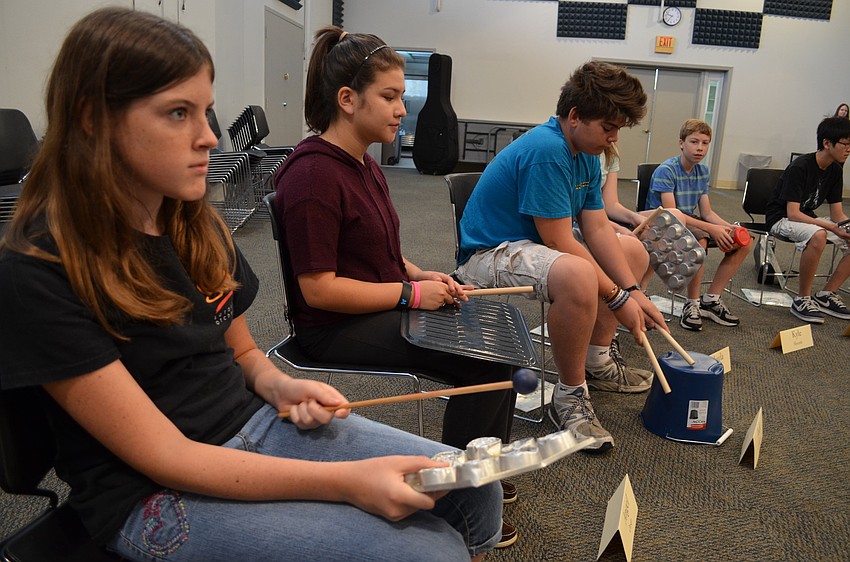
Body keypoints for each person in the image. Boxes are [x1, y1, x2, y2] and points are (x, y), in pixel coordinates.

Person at [0, 9, 502, 561]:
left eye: (206, 111)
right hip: (153, 492)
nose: (209, 136)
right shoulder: (40, 269)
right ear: (92, 120)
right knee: (426, 553)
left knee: (474, 489)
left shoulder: (191, 221)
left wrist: (279, 386)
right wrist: (347, 482)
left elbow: (239, 348)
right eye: (177, 113)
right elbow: (166, 455)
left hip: (251, 422)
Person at [272, 26, 518, 548]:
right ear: (347, 99)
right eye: (389, 97)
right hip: (334, 327)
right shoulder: (313, 176)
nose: (402, 109)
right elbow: (318, 290)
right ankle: (459, 501)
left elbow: (376, 252)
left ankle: (482, 472)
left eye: (400, 97)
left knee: (497, 348)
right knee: (481, 360)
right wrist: (410, 296)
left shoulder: (363, 163)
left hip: (376, 305)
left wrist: (418, 274)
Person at [455, 61, 668, 453]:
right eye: (608, 128)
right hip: (489, 253)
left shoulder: (587, 152)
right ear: (575, 116)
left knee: (633, 249)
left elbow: (597, 228)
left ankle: (597, 360)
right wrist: (618, 298)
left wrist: (635, 290)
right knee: (579, 274)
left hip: (535, 245)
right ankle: (569, 395)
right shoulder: (548, 149)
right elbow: (559, 242)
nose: (613, 138)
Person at [646, 119, 751, 332]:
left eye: (705, 143)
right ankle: (691, 303)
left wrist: (729, 227)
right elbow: (672, 216)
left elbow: (707, 212)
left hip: (690, 220)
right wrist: (712, 229)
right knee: (700, 239)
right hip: (660, 222)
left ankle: (711, 299)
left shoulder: (702, 172)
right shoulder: (667, 170)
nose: (700, 148)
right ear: (681, 143)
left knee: (745, 241)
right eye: (694, 142)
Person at [764, 117, 850, 323]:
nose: (848, 150)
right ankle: (802, 299)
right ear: (827, 143)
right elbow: (793, 213)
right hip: (781, 219)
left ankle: (827, 294)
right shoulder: (800, 166)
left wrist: (846, 225)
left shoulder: (836, 170)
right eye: (845, 144)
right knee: (819, 235)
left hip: (806, 219)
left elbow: (838, 213)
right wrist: (831, 227)